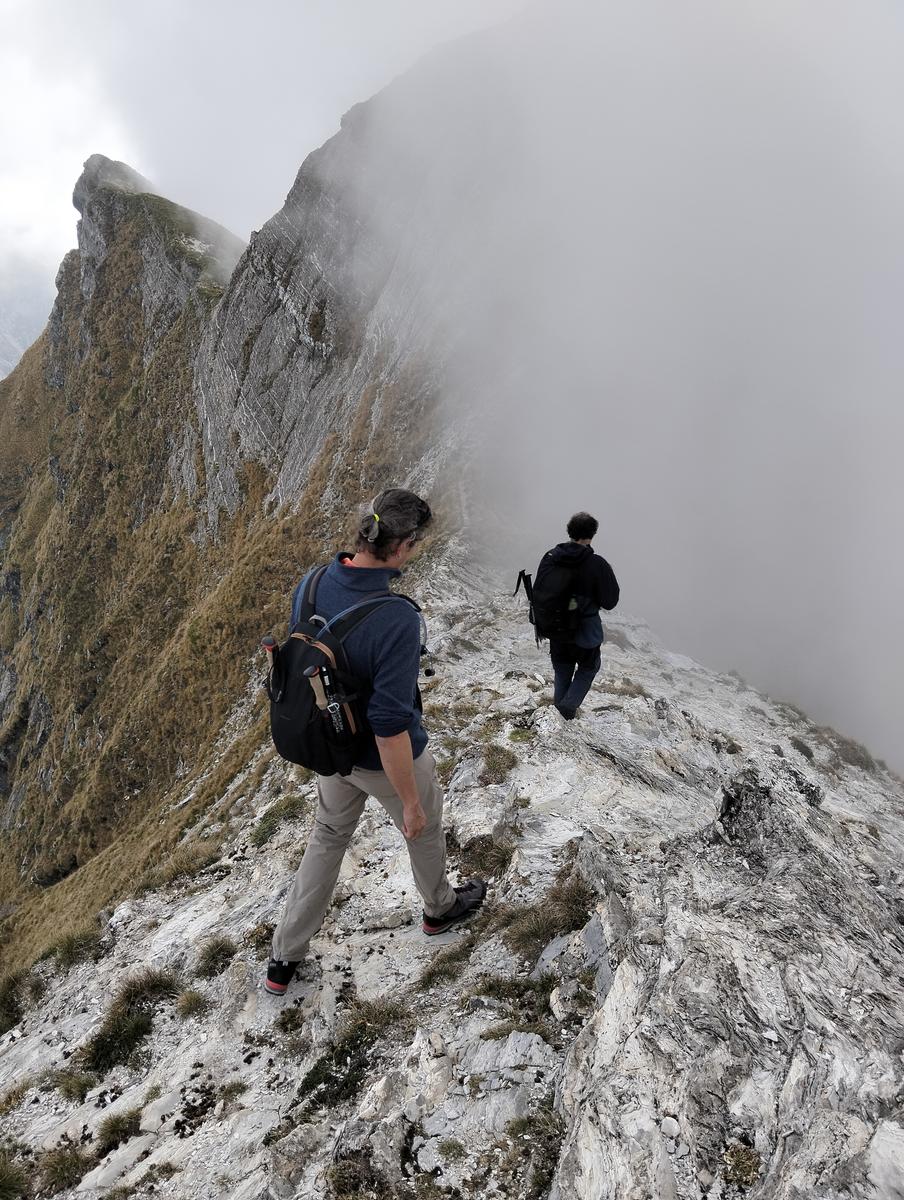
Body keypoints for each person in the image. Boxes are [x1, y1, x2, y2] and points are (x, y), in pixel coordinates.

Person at [266, 488, 486, 995]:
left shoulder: (315, 581)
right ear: (404, 546)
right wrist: (409, 801)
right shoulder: (396, 618)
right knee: (423, 830)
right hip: (380, 759)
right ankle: (439, 910)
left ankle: (283, 957)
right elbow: (389, 724)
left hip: (329, 749)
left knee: (326, 841)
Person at [541, 512, 619, 720]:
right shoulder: (597, 564)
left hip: (555, 627)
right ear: (593, 534)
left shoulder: (550, 557)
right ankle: (566, 709)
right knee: (588, 667)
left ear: (569, 531)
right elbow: (610, 601)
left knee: (563, 669)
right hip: (585, 630)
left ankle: (558, 715)